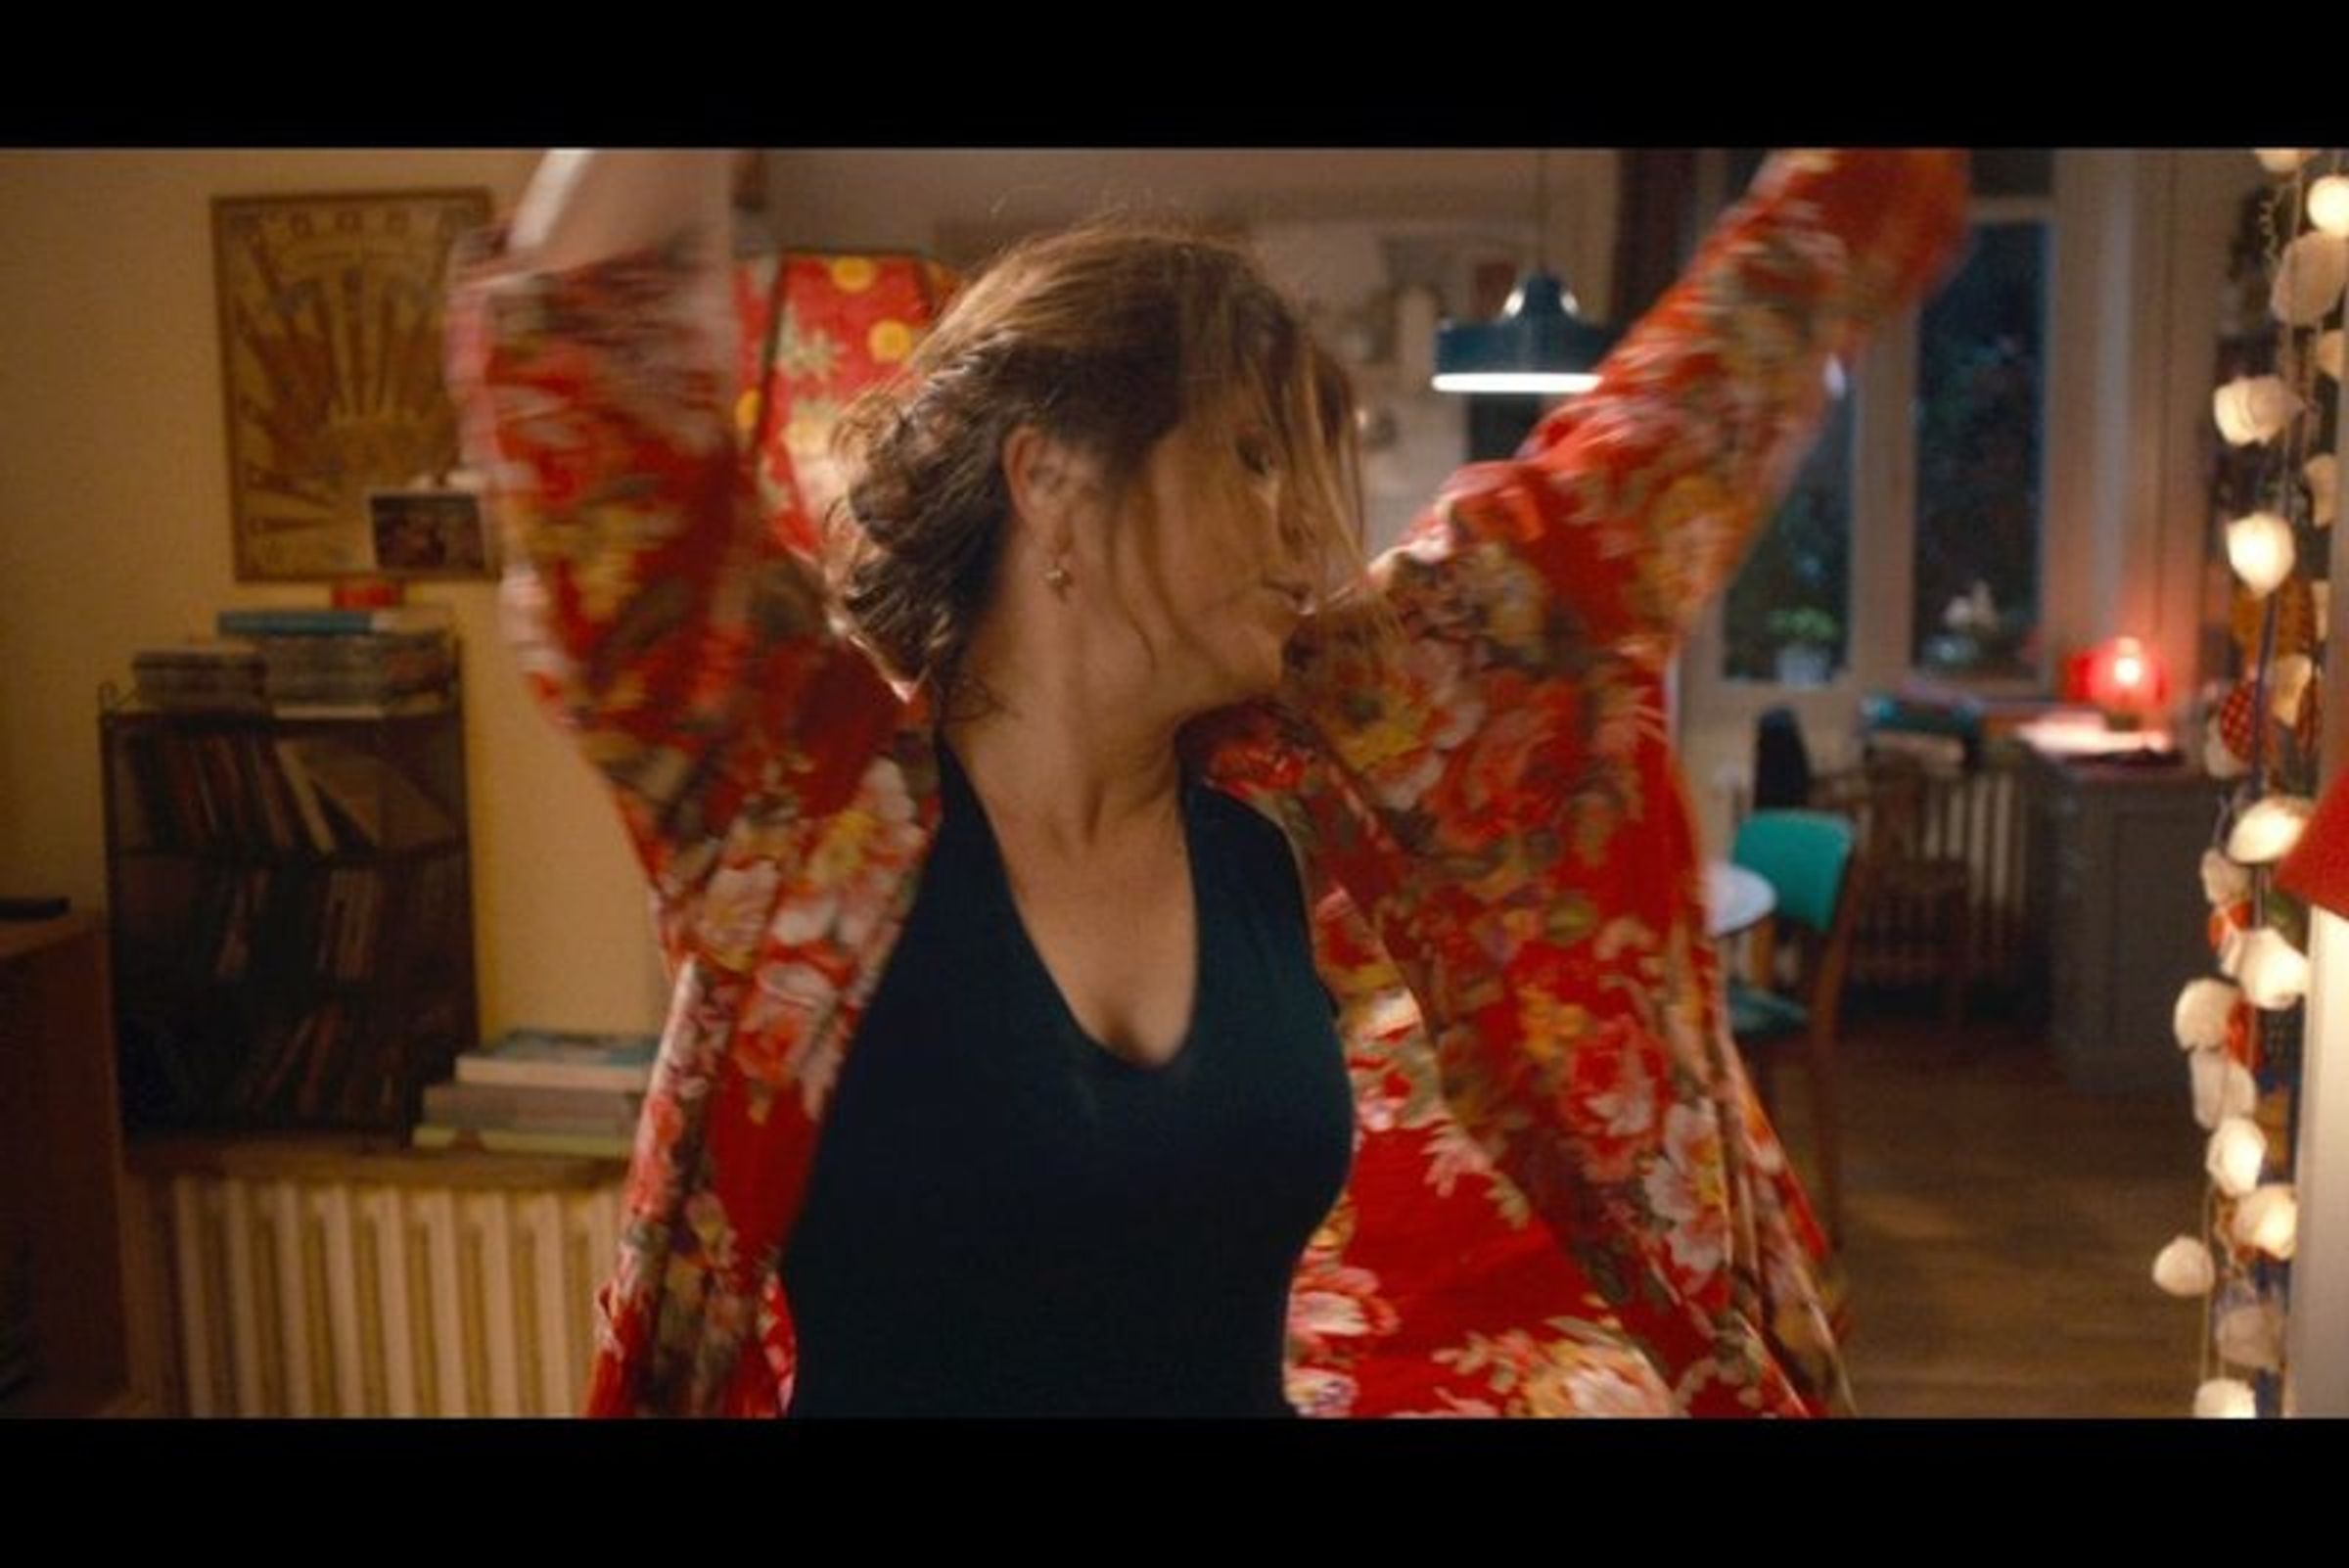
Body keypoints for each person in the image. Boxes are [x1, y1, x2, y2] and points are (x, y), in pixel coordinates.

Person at [445, 147, 1967, 1418]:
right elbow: (583, 363)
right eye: (1246, 455)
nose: (1302, 527)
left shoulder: (1294, 799)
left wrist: (1848, 191)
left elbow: (1628, 476)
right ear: (1050, 479)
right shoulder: (804, 807)